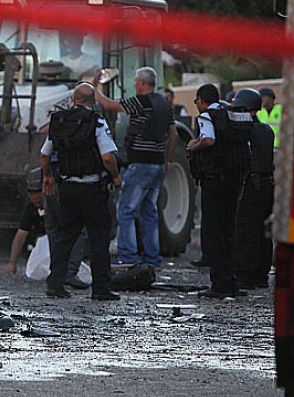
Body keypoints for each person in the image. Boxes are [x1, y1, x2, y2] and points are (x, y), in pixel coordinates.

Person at [40, 82, 122, 300]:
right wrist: (115, 176)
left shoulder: (59, 121)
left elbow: (45, 154)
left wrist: (48, 176)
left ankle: (55, 285)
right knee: (98, 239)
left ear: (74, 100)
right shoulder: (97, 122)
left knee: (64, 237)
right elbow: (107, 157)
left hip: (67, 187)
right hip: (92, 188)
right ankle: (101, 289)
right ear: (92, 102)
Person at [93, 67, 177, 269]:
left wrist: (93, 85)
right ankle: (152, 260)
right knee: (149, 211)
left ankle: (128, 258)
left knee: (126, 210)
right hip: (157, 164)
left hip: (140, 164)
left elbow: (106, 104)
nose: (134, 84)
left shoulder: (140, 101)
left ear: (142, 83)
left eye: (136, 81)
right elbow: (173, 134)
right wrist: (166, 160)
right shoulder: (165, 103)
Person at [186, 83, 252, 298]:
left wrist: (192, 145)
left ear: (201, 100)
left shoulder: (207, 116)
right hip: (234, 180)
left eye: (197, 101)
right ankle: (232, 282)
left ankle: (219, 284)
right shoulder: (231, 116)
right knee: (228, 232)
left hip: (214, 180)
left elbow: (208, 140)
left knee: (214, 233)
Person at [4, 169, 90, 289]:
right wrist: (12, 262)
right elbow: (22, 233)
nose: (34, 197)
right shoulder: (32, 206)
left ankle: (66, 274)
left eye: (37, 193)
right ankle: (61, 276)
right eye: (31, 193)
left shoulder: (59, 199)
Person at [231, 89, 275, 290]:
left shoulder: (245, 130)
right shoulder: (266, 130)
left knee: (245, 230)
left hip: (251, 184)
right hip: (266, 185)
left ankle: (245, 275)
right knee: (262, 232)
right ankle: (260, 275)